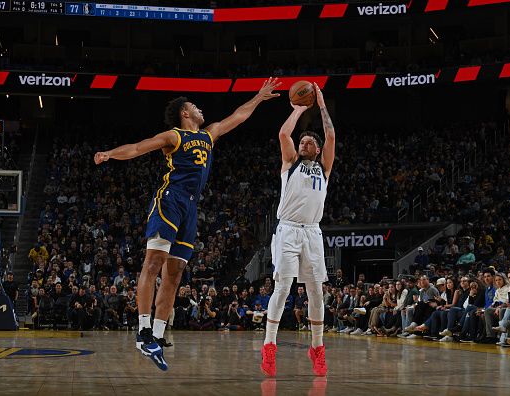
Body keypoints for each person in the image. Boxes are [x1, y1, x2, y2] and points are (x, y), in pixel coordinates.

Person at [94, 78, 281, 370]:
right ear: (184, 113)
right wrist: (109, 154)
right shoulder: (174, 136)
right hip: (170, 200)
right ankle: (142, 331)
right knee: (153, 262)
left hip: (191, 207)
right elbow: (138, 147)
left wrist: (258, 97)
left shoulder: (208, 135)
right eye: (194, 106)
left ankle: (156, 336)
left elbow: (238, 116)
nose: (199, 108)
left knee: (175, 272)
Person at [260, 83, 335, 378]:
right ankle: (269, 345)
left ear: (316, 150)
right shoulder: (290, 164)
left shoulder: (324, 167)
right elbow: (283, 134)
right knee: (284, 286)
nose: (303, 143)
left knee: (316, 290)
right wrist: (300, 109)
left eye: (308, 143)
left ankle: (317, 348)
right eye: (301, 141)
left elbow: (330, 135)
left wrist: (322, 104)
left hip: (313, 232)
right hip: (288, 230)